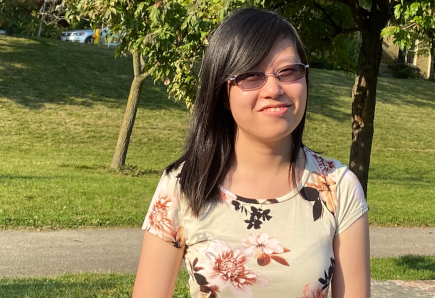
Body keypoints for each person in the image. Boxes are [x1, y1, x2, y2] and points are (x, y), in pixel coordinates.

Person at [133, 7, 370, 298]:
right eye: (251, 75)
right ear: (222, 92)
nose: (274, 88)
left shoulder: (339, 187)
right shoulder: (183, 185)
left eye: (288, 71)